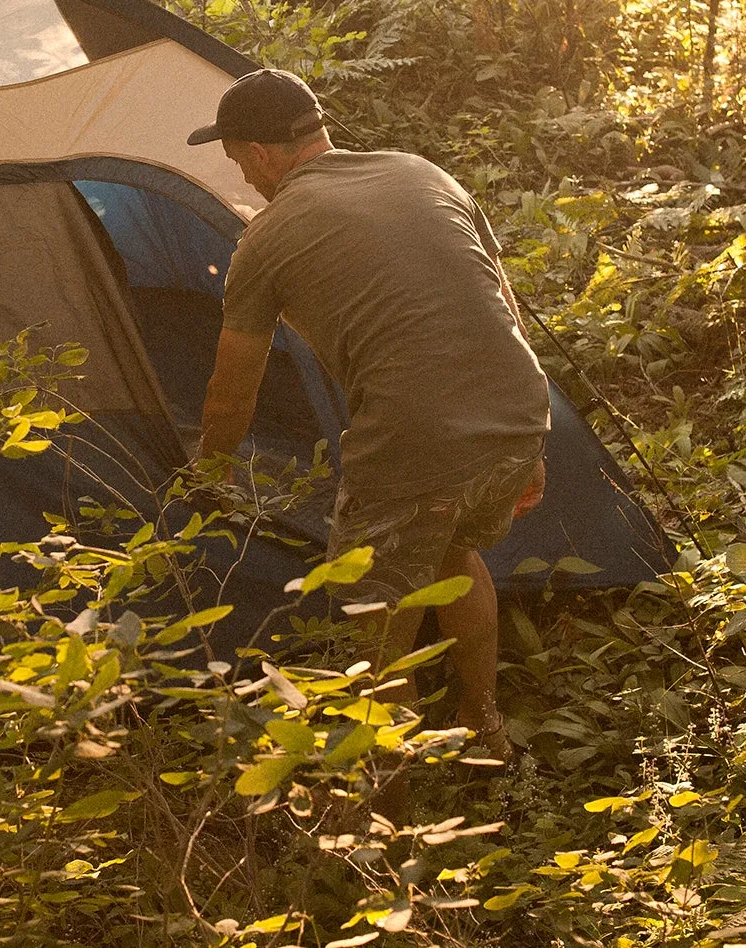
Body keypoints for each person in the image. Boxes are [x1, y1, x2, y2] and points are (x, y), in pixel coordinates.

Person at [189, 68, 550, 762]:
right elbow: (502, 310)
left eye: (239, 161)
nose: (246, 180)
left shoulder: (265, 240)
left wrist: (208, 472)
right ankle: (487, 728)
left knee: (370, 625)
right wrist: (528, 438)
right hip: (517, 413)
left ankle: (388, 825)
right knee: (451, 548)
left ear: (262, 152)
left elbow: (232, 391)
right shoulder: (424, 173)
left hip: (418, 441)